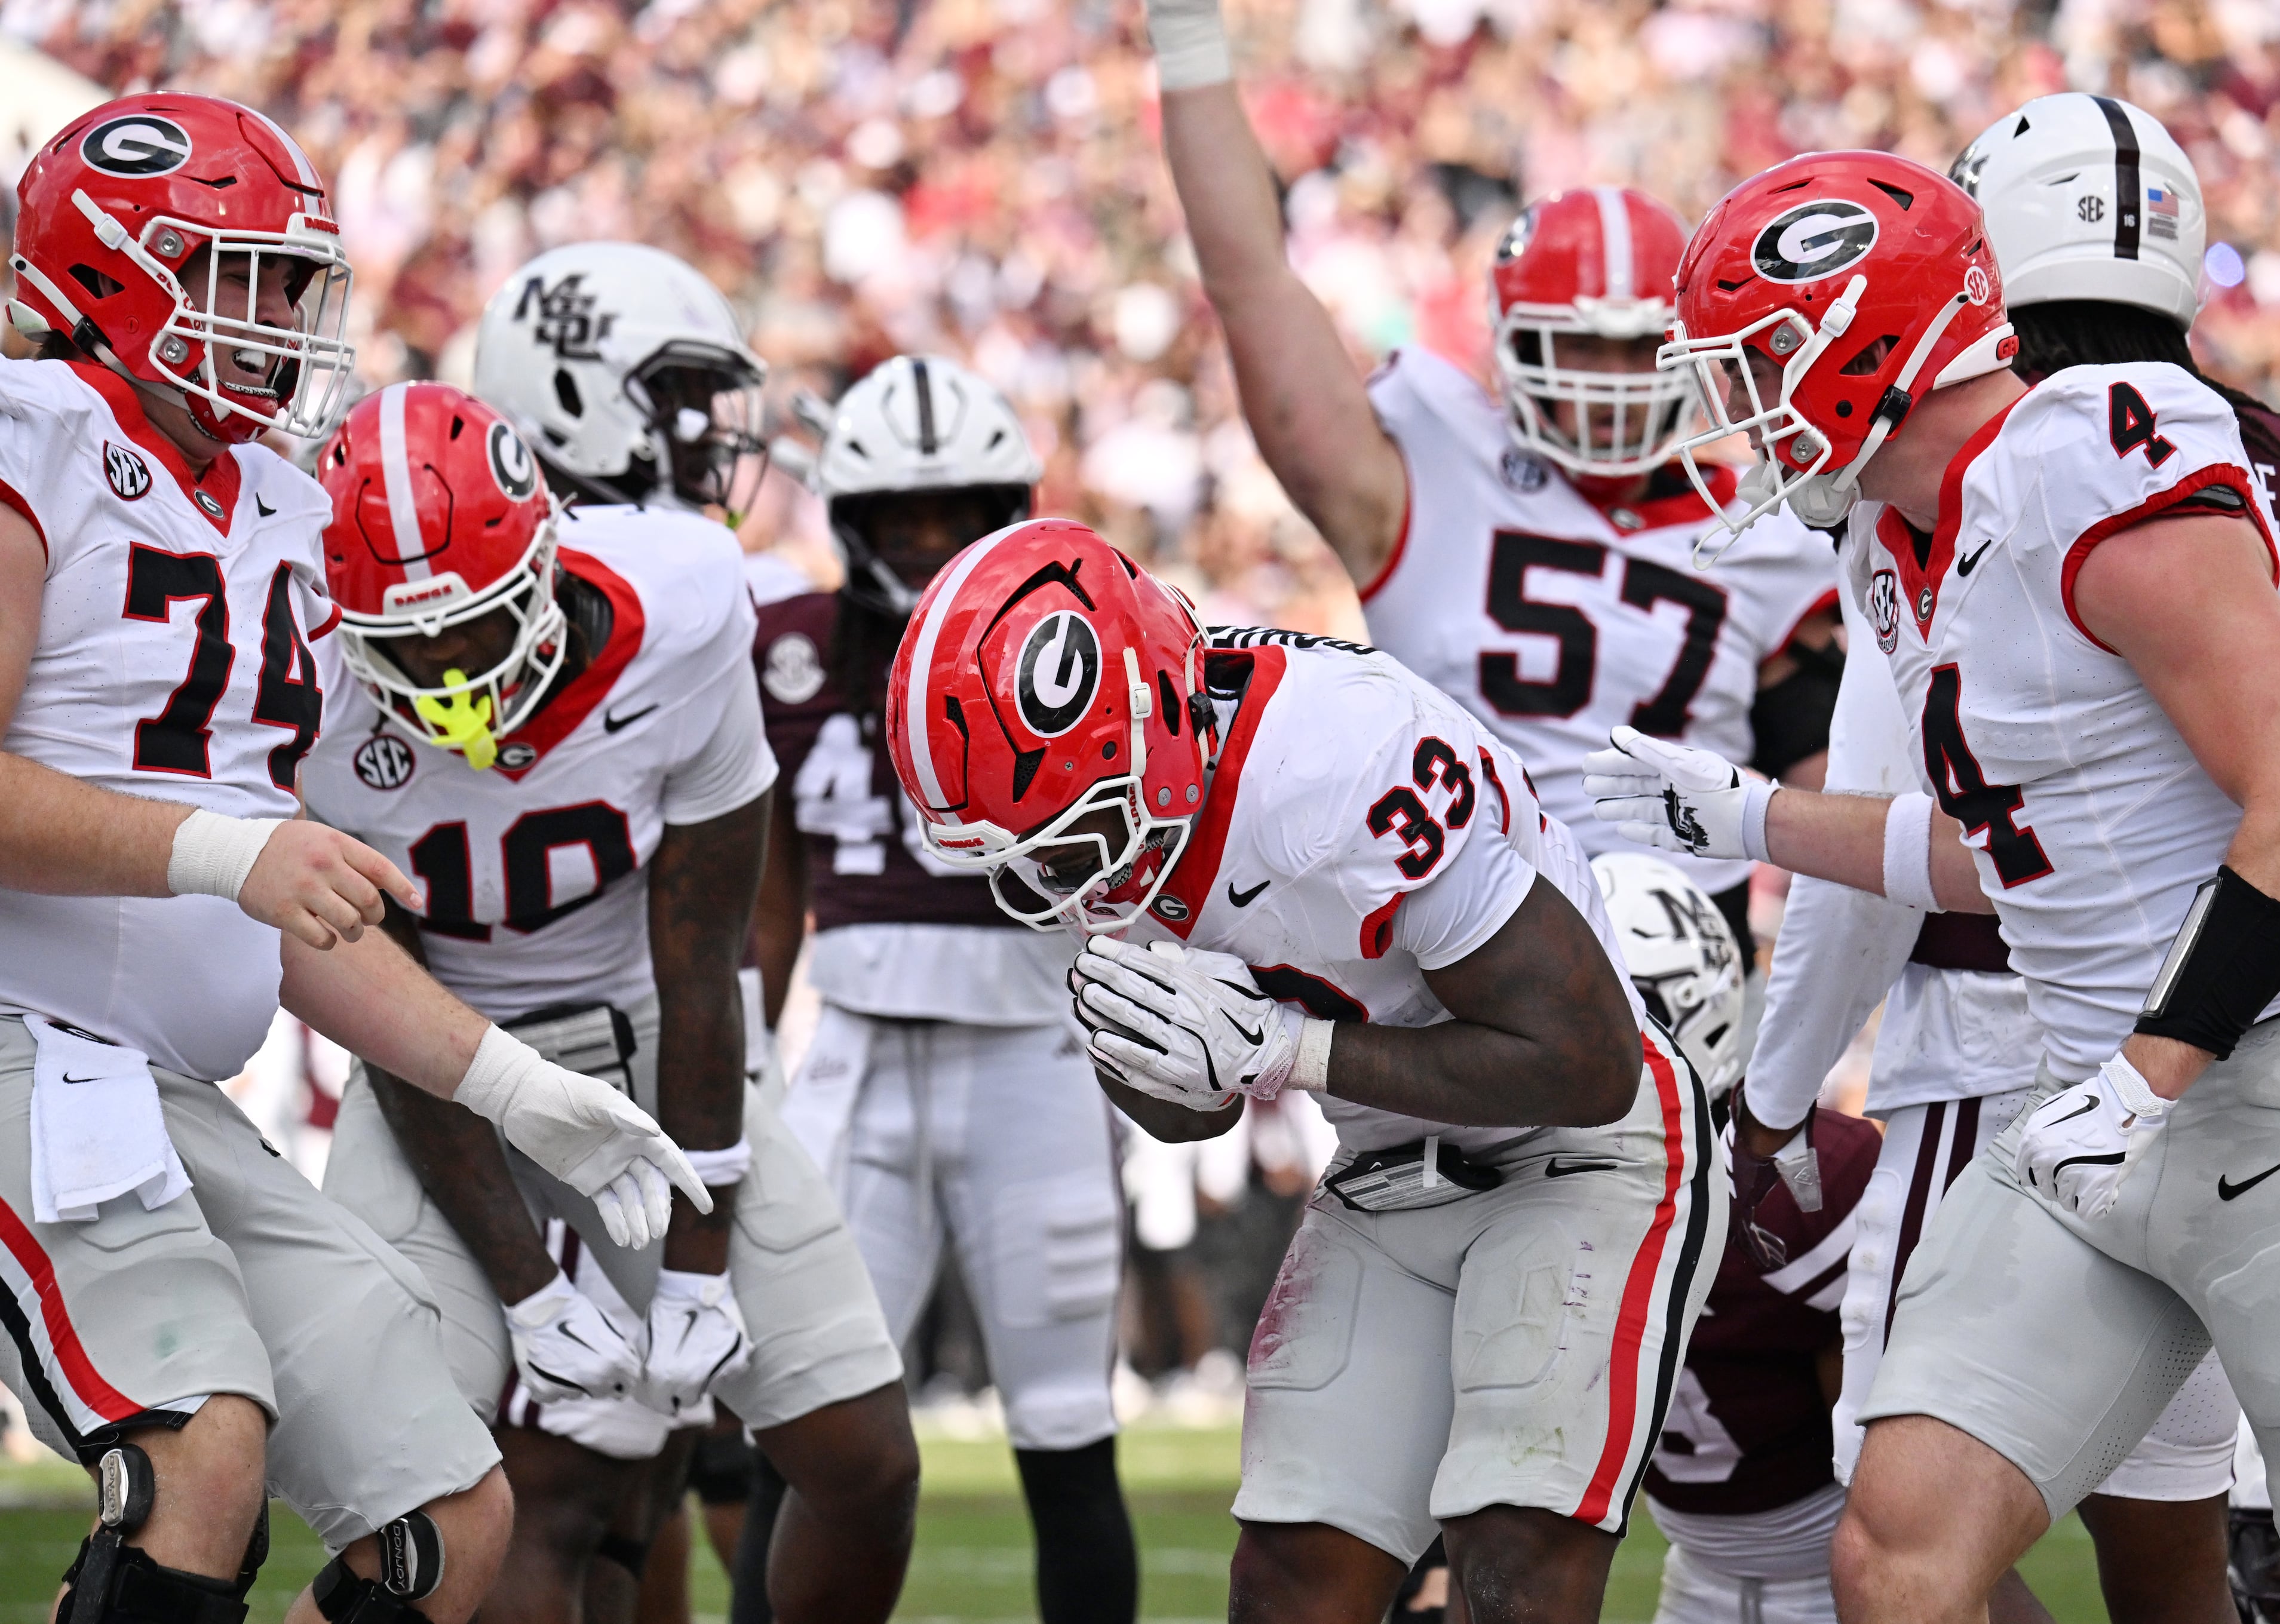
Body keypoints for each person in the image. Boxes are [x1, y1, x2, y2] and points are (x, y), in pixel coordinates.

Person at [0, 93, 705, 1622]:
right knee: (205, 1452)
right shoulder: (29, 435)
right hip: (17, 1049)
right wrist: (218, 850)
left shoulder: (275, 506)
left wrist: (517, 1086)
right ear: (114, 276)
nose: (280, 319)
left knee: (448, 1518)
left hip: (159, 1090)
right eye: (240, 276)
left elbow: (302, 900)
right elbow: (234, 856)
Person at [1582, 145, 2280, 1619]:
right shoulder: (1911, 539)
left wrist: (2152, 1073)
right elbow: (2017, 855)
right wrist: (1757, 819)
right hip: (2102, 1121)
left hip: (2258, 1091)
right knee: (1897, 1546)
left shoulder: (2089, 445)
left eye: (1760, 358)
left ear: (1860, 344)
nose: (1737, 405)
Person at [883, 515, 1724, 1623]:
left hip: (1588, 1152)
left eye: (1074, 834)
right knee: (1289, 1585)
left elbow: (1585, 1062)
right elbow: (1192, 1118)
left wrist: (1288, 1049)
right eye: (1033, 849)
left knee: (1510, 1561)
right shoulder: (1100, 805)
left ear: (1154, 718)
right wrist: (1160, 1057)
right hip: (1388, 1167)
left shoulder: (1338, 760)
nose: (1063, 876)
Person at [302, 364, 919, 1624]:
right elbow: (385, 996)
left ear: (547, 556)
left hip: (647, 1041)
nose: (445, 669)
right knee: (419, 1491)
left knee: (864, 1457)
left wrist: (695, 1270)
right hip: (430, 1059)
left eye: (470, 624)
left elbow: (704, 959)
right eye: (404, 643)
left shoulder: (683, 603)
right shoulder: (301, 678)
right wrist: (530, 1287)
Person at [1140, 0, 1842, 970]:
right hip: (1465, 948)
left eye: (1633, 346)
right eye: (1576, 346)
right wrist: (1187, 36)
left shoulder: (1766, 530)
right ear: (1511, 349)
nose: (1604, 381)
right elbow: (1250, 278)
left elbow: (1836, 820)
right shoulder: (1430, 471)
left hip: (1688, 961)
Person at [754, 354, 1140, 1624]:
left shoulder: (1074, 649)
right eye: (904, 516)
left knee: (1068, 1438)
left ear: (1006, 514)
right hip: (853, 1059)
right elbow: (764, 887)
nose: (928, 541)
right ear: (852, 519)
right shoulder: (791, 651)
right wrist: (745, 1064)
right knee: (808, 1437)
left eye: (956, 514)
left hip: (1032, 1058)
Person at [1587, 852, 1882, 1624]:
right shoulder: (1518, 1166)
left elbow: (1894, 1483)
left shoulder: (1802, 1186)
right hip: (1694, 1577)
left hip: (1840, 1569)